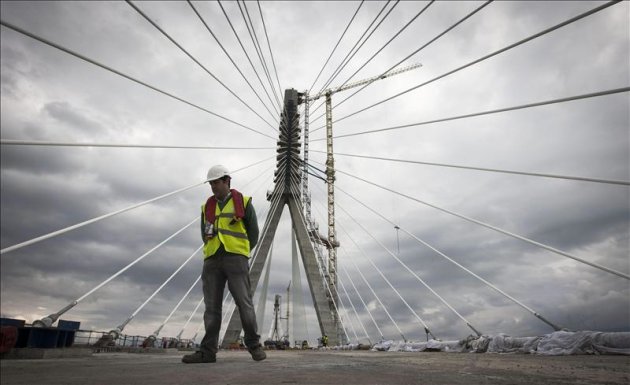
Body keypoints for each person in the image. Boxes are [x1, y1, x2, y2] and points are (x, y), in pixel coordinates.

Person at [182, 165, 266, 364]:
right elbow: (205, 233)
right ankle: (207, 352)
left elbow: (253, 233)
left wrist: (242, 251)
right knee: (211, 308)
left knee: (244, 303)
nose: (213, 186)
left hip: (236, 259)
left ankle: (254, 345)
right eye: (211, 183)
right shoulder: (206, 207)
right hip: (212, 260)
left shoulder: (243, 203)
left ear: (227, 181)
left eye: (216, 182)